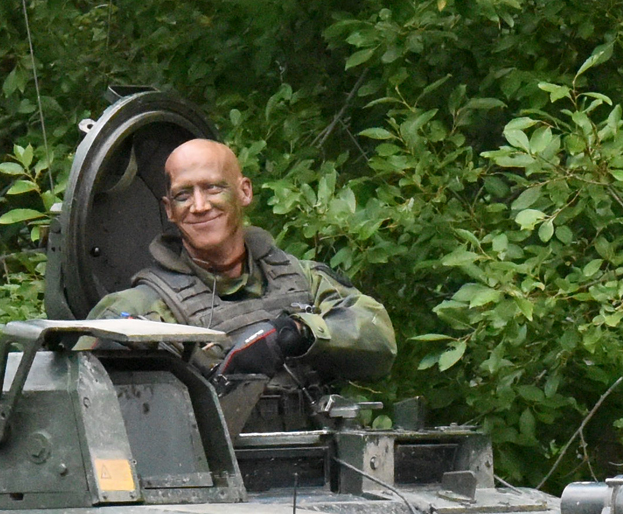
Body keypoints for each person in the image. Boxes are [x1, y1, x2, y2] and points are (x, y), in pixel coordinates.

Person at [85, 137, 394, 428]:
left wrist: (295, 333)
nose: (200, 205)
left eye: (213, 188)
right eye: (183, 195)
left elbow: (378, 340)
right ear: (169, 210)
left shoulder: (304, 279)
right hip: (213, 475)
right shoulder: (138, 306)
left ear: (244, 191)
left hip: (317, 463)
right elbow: (97, 404)